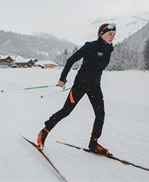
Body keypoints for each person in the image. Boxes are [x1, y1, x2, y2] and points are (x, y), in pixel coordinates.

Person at [37, 23, 116, 154]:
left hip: (95, 86)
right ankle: (44, 132)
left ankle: (94, 143)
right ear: (101, 34)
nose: (112, 37)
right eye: (109, 34)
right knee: (66, 111)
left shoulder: (109, 49)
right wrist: (62, 78)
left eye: (114, 35)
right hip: (80, 85)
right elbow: (71, 60)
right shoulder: (90, 46)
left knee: (100, 114)